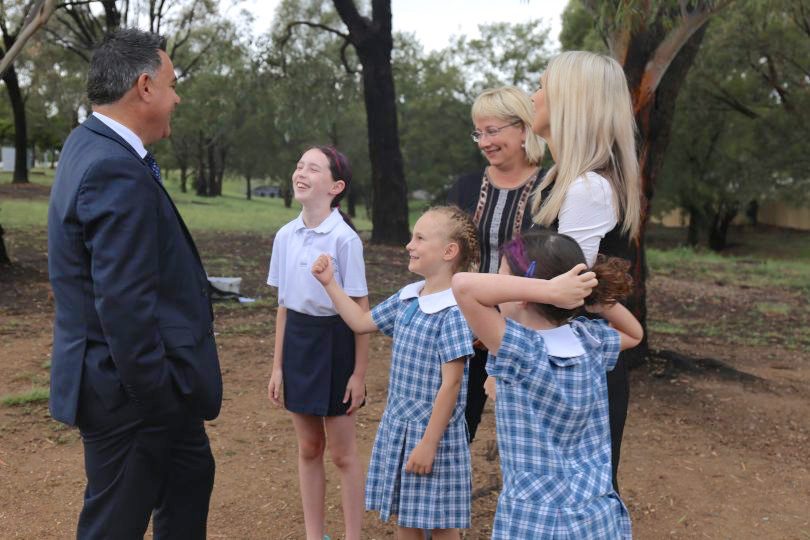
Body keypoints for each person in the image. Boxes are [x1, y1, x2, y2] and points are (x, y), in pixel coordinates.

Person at [47, 29, 221, 539]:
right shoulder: (112, 168)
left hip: (138, 384)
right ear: (144, 87)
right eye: (171, 84)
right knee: (115, 524)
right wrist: (157, 401)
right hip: (130, 392)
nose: (176, 97)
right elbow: (124, 306)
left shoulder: (87, 143)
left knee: (190, 481)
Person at [452, 230, 643, 539]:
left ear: (528, 292)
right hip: (595, 512)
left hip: (536, 519)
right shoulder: (590, 339)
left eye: (502, 277)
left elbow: (462, 286)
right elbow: (635, 334)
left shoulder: (518, 348)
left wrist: (548, 290)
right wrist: (590, 297)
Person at [311, 206, 479, 540]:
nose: (409, 245)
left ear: (449, 251)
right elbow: (361, 322)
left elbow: (452, 384)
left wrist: (429, 444)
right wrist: (330, 284)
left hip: (435, 435)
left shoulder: (454, 310)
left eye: (419, 238)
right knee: (406, 518)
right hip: (399, 427)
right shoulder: (408, 298)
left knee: (442, 525)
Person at [530, 51, 642, 492]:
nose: (533, 96)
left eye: (541, 86)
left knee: (577, 505)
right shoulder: (560, 180)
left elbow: (571, 295)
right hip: (557, 362)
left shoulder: (587, 188)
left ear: (569, 103)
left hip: (574, 376)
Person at [266, 145, 369, 540]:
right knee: (309, 446)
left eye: (313, 168)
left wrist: (359, 374)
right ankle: (315, 535)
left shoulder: (344, 239)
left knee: (342, 453)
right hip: (298, 344)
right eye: (298, 166)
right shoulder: (285, 235)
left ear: (336, 186)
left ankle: (352, 536)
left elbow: (359, 308)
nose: (301, 172)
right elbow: (283, 306)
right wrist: (277, 366)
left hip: (336, 341)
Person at [446, 86, 546, 442]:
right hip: (460, 326)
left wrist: (498, 323)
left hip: (525, 328)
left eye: (493, 130)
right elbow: (447, 255)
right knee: (453, 428)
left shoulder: (549, 189)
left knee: (526, 434)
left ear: (522, 130)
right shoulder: (465, 187)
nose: (484, 141)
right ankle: (446, 498)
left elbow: (540, 264)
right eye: (479, 132)